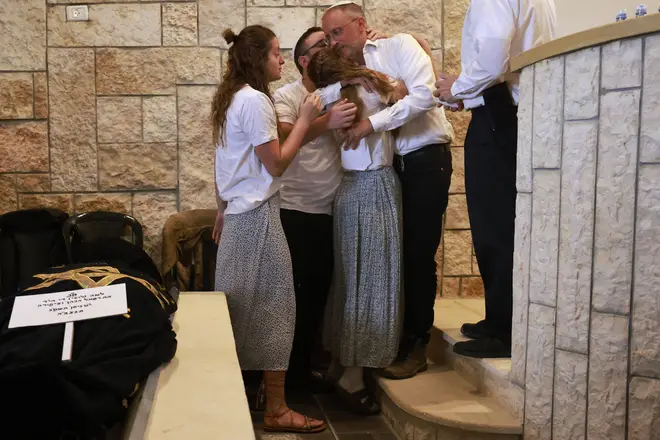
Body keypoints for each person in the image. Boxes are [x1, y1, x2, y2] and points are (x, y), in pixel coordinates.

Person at [318, 1, 454, 380]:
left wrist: (371, 123)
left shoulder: (399, 46)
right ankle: (390, 341)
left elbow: (424, 96)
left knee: (417, 253)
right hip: (394, 167)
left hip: (426, 158)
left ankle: (417, 344)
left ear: (360, 24)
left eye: (337, 33)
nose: (333, 42)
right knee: (396, 255)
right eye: (328, 35)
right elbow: (324, 98)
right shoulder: (353, 70)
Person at [210, 25, 326, 434]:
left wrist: (222, 207)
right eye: (277, 53)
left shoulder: (230, 98)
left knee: (242, 311)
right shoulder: (256, 101)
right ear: (258, 58)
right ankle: (275, 409)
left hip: (240, 215)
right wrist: (308, 118)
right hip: (257, 217)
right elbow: (276, 163)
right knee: (278, 309)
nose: (283, 60)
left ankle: (250, 398)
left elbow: (225, 163)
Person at [434, 0, 556, 358]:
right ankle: (501, 317)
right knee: (508, 223)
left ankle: (504, 330)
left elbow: (491, 64)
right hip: (517, 112)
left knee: (496, 225)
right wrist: (466, 94)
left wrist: (456, 89)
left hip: (500, 117)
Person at [307, 46, 403, 415]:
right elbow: (410, 95)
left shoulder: (328, 100)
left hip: (349, 190)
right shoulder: (369, 90)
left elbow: (315, 101)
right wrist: (365, 76)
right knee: (371, 281)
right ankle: (353, 375)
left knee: (351, 281)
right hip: (374, 185)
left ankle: (339, 364)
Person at [272, 27, 357, 391]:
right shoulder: (286, 96)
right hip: (295, 210)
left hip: (331, 210)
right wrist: (327, 121)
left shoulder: (339, 91)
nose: (330, 46)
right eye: (322, 43)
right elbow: (283, 137)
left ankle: (305, 372)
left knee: (319, 296)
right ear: (304, 60)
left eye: (331, 40)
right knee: (295, 299)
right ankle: (286, 382)